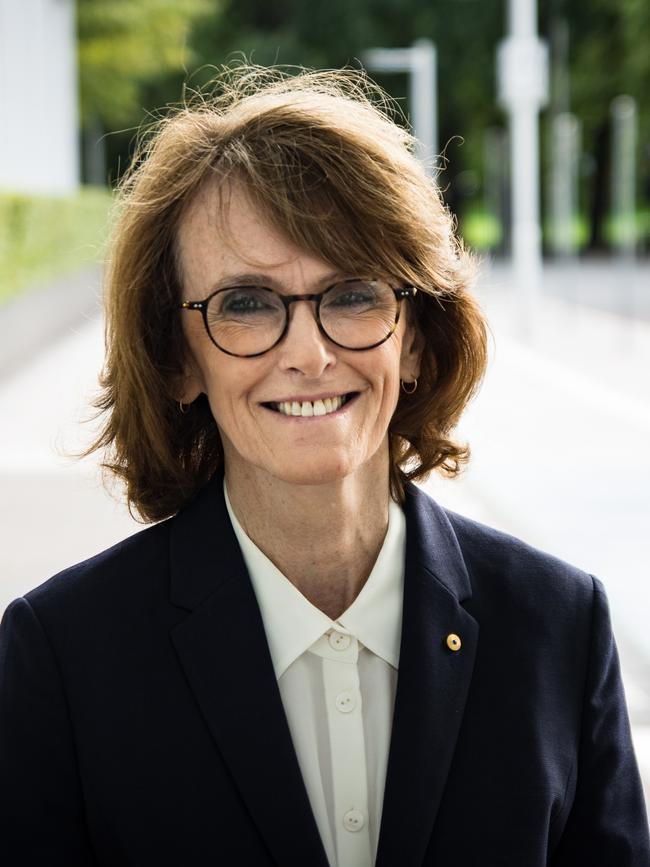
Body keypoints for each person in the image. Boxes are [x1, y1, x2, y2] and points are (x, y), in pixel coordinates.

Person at [0, 66, 648, 867]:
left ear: (414, 337)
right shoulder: (62, 658)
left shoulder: (561, 626)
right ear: (179, 359)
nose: (308, 355)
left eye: (352, 294)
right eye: (244, 302)